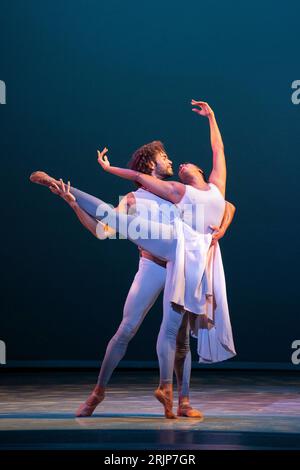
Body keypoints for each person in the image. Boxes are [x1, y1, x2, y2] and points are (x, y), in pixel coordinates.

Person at [30, 99, 236, 418]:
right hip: (152, 265)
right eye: (164, 157)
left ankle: (179, 398)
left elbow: (221, 200)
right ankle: (98, 391)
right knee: (126, 329)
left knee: (179, 337)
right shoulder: (134, 198)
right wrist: (73, 205)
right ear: (150, 164)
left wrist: (222, 224)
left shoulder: (177, 190)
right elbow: (102, 231)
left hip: (179, 263)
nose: (171, 161)